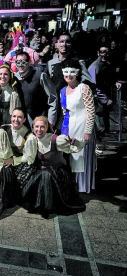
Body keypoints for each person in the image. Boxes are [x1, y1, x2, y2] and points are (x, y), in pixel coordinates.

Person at [21, 116, 86, 215]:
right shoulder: (33, 140)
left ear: (47, 127)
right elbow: (28, 158)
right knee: (43, 174)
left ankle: (49, 205)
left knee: (46, 174)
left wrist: (75, 141)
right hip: (42, 174)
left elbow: (75, 147)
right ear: (33, 127)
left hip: (58, 174)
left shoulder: (56, 140)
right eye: (36, 127)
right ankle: (41, 203)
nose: (39, 130)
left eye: (42, 127)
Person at [61, 59, 96, 194]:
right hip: (70, 126)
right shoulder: (63, 90)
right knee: (73, 157)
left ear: (77, 73)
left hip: (83, 125)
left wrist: (88, 131)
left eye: (72, 72)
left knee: (82, 157)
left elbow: (90, 111)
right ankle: (73, 185)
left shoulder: (84, 88)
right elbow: (65, 112)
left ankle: (83, 186)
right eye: (66, 72)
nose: (69, 75)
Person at [15, 51, 56, 126]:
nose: (21, 65)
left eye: (23, 62)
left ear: (29, 62)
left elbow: (52, 98)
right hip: (22, 120)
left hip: (39, 118)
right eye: (18, 62)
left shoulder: (40, 76)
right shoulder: (15, 78)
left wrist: (51, 119)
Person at [2, 108, 37, 188]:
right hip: (5, 161)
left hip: (21, 165)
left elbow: (30, 159)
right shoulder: (4, 128)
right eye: (14, 116)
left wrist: (13, 160)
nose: (16, 119)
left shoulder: (29, 137)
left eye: (20, 117)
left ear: (24, 120)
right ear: (11, 117)